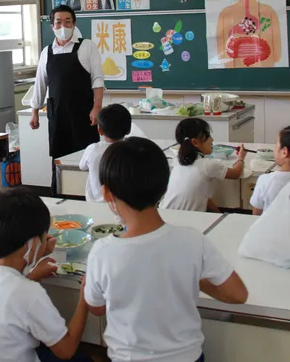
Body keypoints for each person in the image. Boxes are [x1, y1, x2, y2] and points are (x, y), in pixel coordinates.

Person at [84, 138, 248, 362]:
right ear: (165, 186)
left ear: (106, 193)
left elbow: (96, 308)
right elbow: (238, 294)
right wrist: (192, 276)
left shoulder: (102, 252)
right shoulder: (192, 240)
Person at [0, 187, 89, 362]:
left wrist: (32, 269)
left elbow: (7, 293)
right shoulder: (29, 293)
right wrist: (85, 296)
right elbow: (67, 349)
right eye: (44, 238)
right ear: (33, 244)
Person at [31, 5, 105, 194]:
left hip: (84, 113)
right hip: (57, 115)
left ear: (74, 23)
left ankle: (89, 195)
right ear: (52, 26)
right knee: (59, 157)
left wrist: (97, 107)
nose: (63, 26)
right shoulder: (47, 52)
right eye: (58, 22)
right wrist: (34, 112)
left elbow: (97, 79)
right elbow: (40, 83)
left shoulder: (87, 46)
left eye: (67, 21)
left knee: (87, 156)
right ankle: (60, 195)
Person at [160, 118, 246, 213]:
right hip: (187, 218)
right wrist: (241, 157)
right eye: (207, 136)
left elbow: (201, 197)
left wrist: (219, 214)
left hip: (164, 213)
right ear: (195, 142)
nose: (212, 140)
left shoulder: (178, 161)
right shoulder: (208, 165)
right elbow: (236, 173)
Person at [79, 104, 130, 202]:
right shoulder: (130, 150)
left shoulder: (93, 149)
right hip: (121, 204)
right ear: (128, 130)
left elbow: (82, 166)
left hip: (93, 203)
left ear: (99, 130)